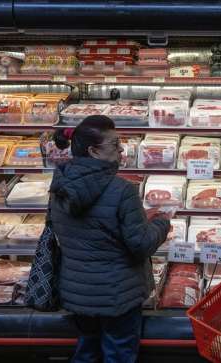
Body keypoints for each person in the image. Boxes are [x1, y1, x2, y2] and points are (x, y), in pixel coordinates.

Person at [49, 115, 171, 363]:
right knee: (119, 354)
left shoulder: (58, 186)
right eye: (115, 144)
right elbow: (141, 244)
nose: (121, 149)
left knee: (86, 351)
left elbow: (78, 230)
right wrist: (162, 222)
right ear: (94, 151)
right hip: (117, 295)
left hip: (77, 291)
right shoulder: (122, 190)